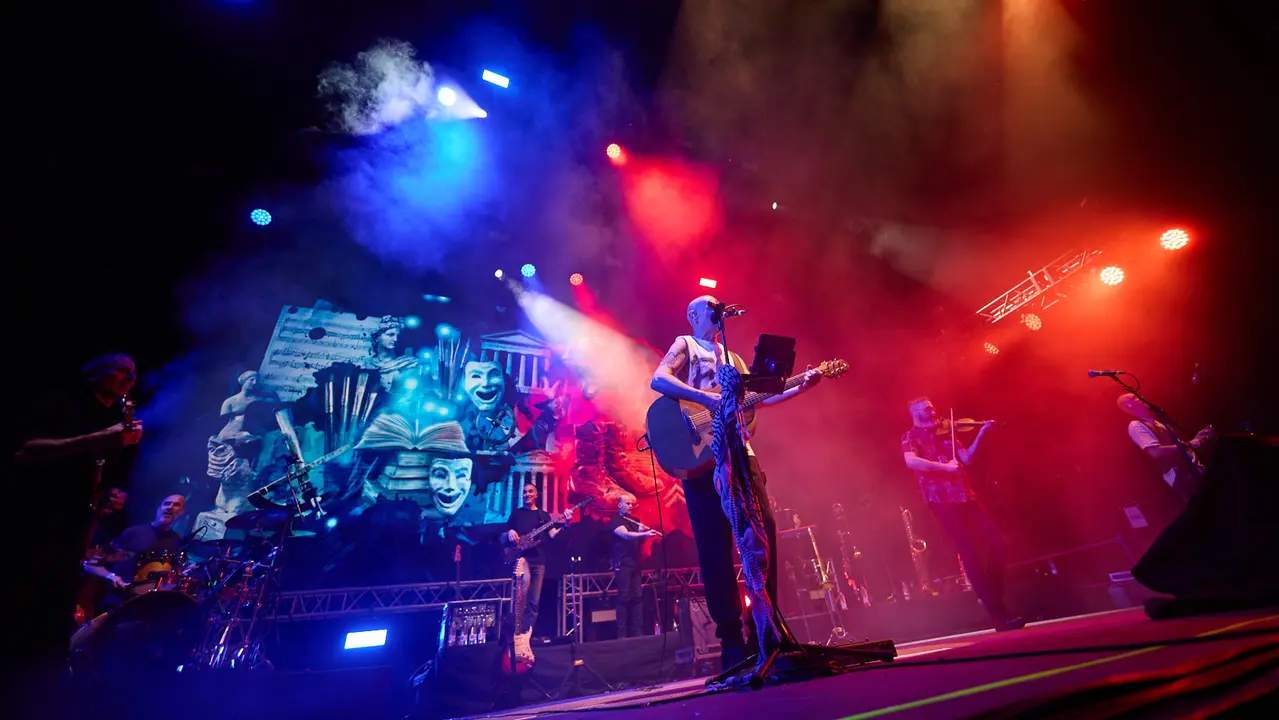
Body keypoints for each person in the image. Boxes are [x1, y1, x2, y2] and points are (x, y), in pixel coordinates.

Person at [650, 295, 824, 668]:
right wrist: (706, 401)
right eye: (709, 305)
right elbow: (658, 378)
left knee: (765, 531)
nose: (716, 308)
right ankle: (730, 639)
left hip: (740, 452)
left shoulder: (735, 359)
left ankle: (767, 627)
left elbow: (760, 398)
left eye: (718, 305)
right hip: (703, 458)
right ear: (693, 315)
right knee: (715, 546)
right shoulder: (687, 343)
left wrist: (800, 387)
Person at [9, 353, 143, 685]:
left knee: (57, 607)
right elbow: (23, 453)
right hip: (32, 519)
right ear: (96, 373)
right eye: (122, 370)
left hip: (74, 527)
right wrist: (100, 439)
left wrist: (109, 494)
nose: (130, 377)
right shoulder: (61, 404)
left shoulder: (112, 417)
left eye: (134, 373)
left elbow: (95, 472)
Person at [901, 397, 1024, 631]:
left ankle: (990, 597)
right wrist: (945, 467)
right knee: (969, 551)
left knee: (998, 543)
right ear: (915, 413)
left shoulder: (948, 433)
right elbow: (911, 462)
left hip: (966, 496)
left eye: (932, 406)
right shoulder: (910, 436)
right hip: (941, 501)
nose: (932, 410)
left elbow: (966, 459)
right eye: (926, 408)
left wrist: (982, 433)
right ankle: (1000, 614)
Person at [502, 483, 572, 643]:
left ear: (536, 494)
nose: (527, 494)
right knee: (522, 597)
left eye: (530, 491)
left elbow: (553, 535)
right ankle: (516, 634)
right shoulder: (516, 514)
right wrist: (510, 532)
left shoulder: (543, 515)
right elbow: (505, 533)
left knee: (534, 601)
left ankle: (527, 636)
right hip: (522, 559)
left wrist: (567, 524)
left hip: (539, 562)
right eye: (525, 492)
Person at [1116, 393, 1214, 503]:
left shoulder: (1156, 422)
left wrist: (1198, 438)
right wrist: (1190, 444)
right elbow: (1155, 452)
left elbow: (1179, 445)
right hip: (1182, 476)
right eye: (1135, 397)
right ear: (1129, 405)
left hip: (1193, 469)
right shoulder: (1135, 425)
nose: (1141, 397)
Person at [610, 493, 657, 638]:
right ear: (620, 505)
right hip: (622, 564)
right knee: (623, 596)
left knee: (637, 596)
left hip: (636, 564)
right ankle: (621, 635)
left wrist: (643, 533)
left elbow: (637, 542)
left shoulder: (635, 521)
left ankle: (638, 633)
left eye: (632, 504)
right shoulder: (616, 521)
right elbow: (626, 535)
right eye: (628, 503)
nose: (631, 506)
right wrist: (644, 534)